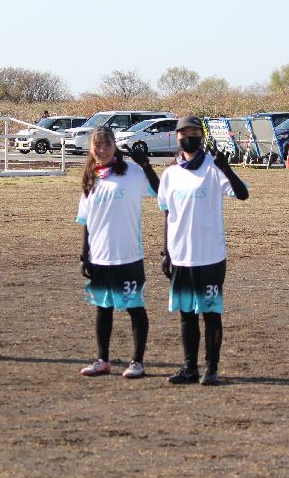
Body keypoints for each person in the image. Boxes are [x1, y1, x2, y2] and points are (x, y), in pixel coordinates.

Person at [158, 116, 248, 385]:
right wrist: (166, 252)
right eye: (184, 132)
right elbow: (167, 214)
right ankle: (190, 368)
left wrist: (226, 168)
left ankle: (211, 368)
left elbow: (242, 194)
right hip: (181, 256)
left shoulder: (213, 167)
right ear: (176, 137)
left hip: (210, 256)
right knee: (187, 315)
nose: (189, 137)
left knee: (210, 314)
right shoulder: (170, 173)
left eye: (195, 132)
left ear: (202, 136)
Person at [77, 127, 160, 379]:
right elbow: (86, 220)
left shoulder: (132, 173)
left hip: (128, 255)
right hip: (99, 256)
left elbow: (160, 191)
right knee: (103, 308)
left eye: (107, 144)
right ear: (91, 149)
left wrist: (146, 165)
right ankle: (102, 360)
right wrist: (85, 254)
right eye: (97, 145)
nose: (102, 150)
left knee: (135, 307)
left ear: (115, 145)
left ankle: (137, 362)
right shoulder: (91, 177)